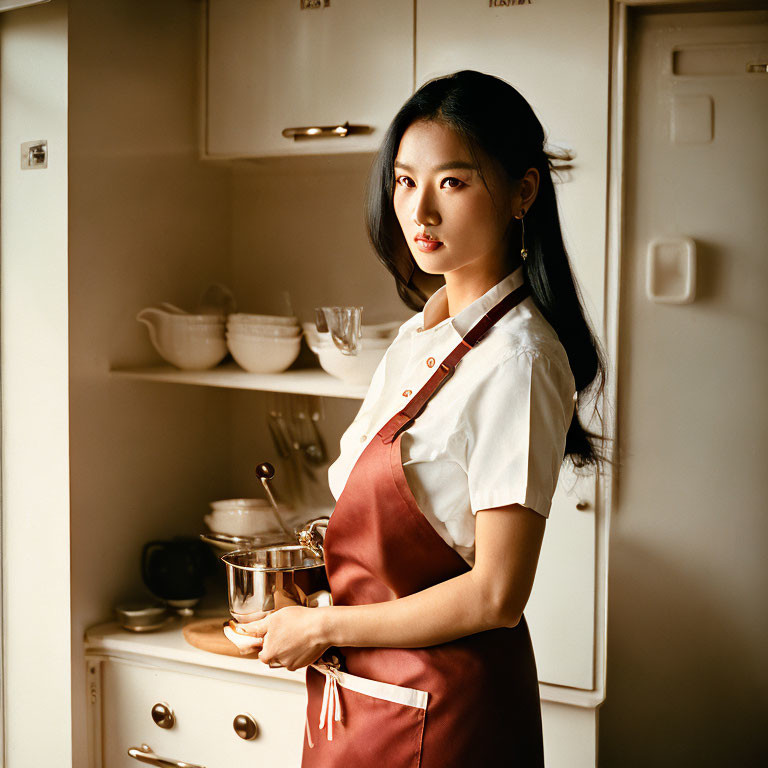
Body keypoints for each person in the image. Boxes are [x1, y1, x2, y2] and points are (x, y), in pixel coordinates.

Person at [235, 70, 607, 767]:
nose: (420, 213)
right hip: (371, 691)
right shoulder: (420, 335)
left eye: (453, 183)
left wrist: (329, 627)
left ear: (524, 192)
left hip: (447, 716)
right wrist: (313, 592)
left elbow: (497, 593)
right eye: (405, 182)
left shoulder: (519, 356)